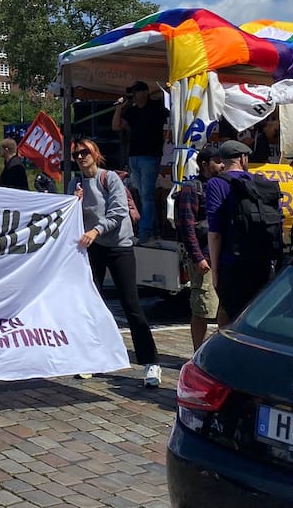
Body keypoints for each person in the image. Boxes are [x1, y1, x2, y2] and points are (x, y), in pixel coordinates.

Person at [69, 138, 161, 387]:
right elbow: (69, 216)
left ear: (95, 153)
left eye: (85, 152)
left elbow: (119, 210)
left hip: (119, 246)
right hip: (93, 248)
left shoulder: (109, 178)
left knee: (131, 304)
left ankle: (151, 362)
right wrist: (74, 203)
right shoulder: (75, 183)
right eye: (76, 154)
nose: (81, 157)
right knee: (92, 304)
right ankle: (92, 358)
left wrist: (96, 230)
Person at [207, 140, 282, 326]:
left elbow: (215, 232)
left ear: (222, 161)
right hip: (262, 261)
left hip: (232, 263)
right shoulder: (261, 182)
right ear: (242, 159)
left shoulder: (216, 183)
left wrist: (215, 271)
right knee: (259, 316)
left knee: (231, 317)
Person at [174, 144, 223, 351]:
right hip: (204, 257)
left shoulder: (222, 185)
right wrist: (198, 257)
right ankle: (197, 353)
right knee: (202, 308)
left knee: (223, 308)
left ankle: (218, 352)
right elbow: (187, 227)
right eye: (217, 161)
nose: (222, 165)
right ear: (204, 164)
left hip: (223, 256)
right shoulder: (191, 189)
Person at [111, 81, 169, 241]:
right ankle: (153, 229)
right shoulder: (132, 111)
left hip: (150, 156)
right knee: (141, 193)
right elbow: (116, 126)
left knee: (146, 195)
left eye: (136, 92)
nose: (133, 96)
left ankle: (145, 231)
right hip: (134, 157)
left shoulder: (156, 107)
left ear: (144, 92)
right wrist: (119, 108)